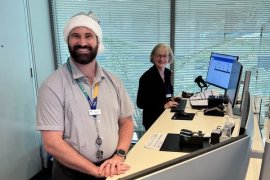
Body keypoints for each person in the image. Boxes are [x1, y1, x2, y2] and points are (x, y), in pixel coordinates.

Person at [36, 11, 134, 179]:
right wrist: (94, 171)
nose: (82, 42)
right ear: (68, 40)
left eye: (88, 36)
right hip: (71, 173)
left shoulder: (114, 82)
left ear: (97, 41)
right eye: (75, 36)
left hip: (112, 168)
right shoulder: (51, 86)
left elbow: (126, 122)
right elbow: (52, 143)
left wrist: (119, 155)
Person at [137, 43, 179, 131]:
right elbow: (140, 103)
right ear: (153, 57)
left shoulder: (167, 73)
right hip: (152, 120)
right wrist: (163, 106)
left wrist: (171, 99)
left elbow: (164, 93)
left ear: (169, 58)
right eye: (159, 56)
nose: (162, 59)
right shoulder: (146, 77)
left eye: (165, 56)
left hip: (165, 115)